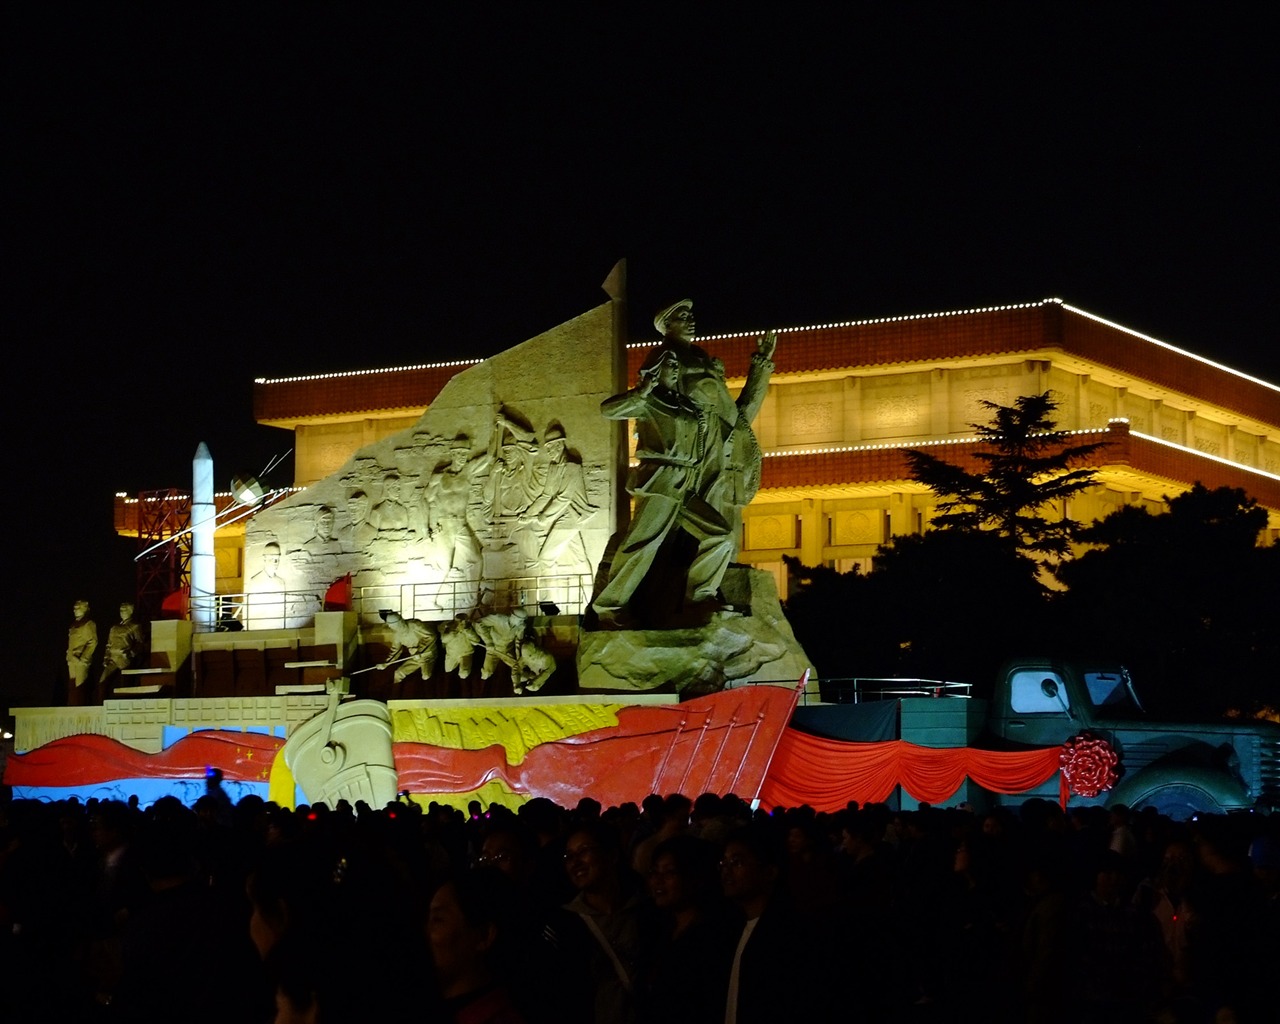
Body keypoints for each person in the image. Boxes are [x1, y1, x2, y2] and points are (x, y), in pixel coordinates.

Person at [377, 610, 439, 683]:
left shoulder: (415, 625)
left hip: (427, 655)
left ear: (400, 622)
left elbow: (431, 636)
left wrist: (420, 651)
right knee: (398, 673)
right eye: (390, 625)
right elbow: (396, 651)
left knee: (426, 676)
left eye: (393, 625)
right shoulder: (397, 635)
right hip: (414, 657)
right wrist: (386, 664)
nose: (391, 627)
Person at [99, 601, 146, 686]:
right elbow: (108, 644)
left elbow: (140, 643)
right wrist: (106, 657)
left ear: (130, 611)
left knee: (125, 683)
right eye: (121, 610)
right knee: (103, 681)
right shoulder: (114, 628)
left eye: (124, 610)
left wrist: (131, 653)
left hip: (124, 658)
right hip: (112, 659)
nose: (122, 612)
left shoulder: (135, 626)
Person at [66, 599, 98, 705]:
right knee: (72, 686)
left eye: (77, 608)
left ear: (84, 609)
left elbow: (93, 642)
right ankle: (72, 706)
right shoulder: (74, 625)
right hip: (72, 659)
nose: (75, 610)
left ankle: (79, 706)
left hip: (80, 660)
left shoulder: (88, 624)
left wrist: (83, 658)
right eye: (74, 608)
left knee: (80, 687)